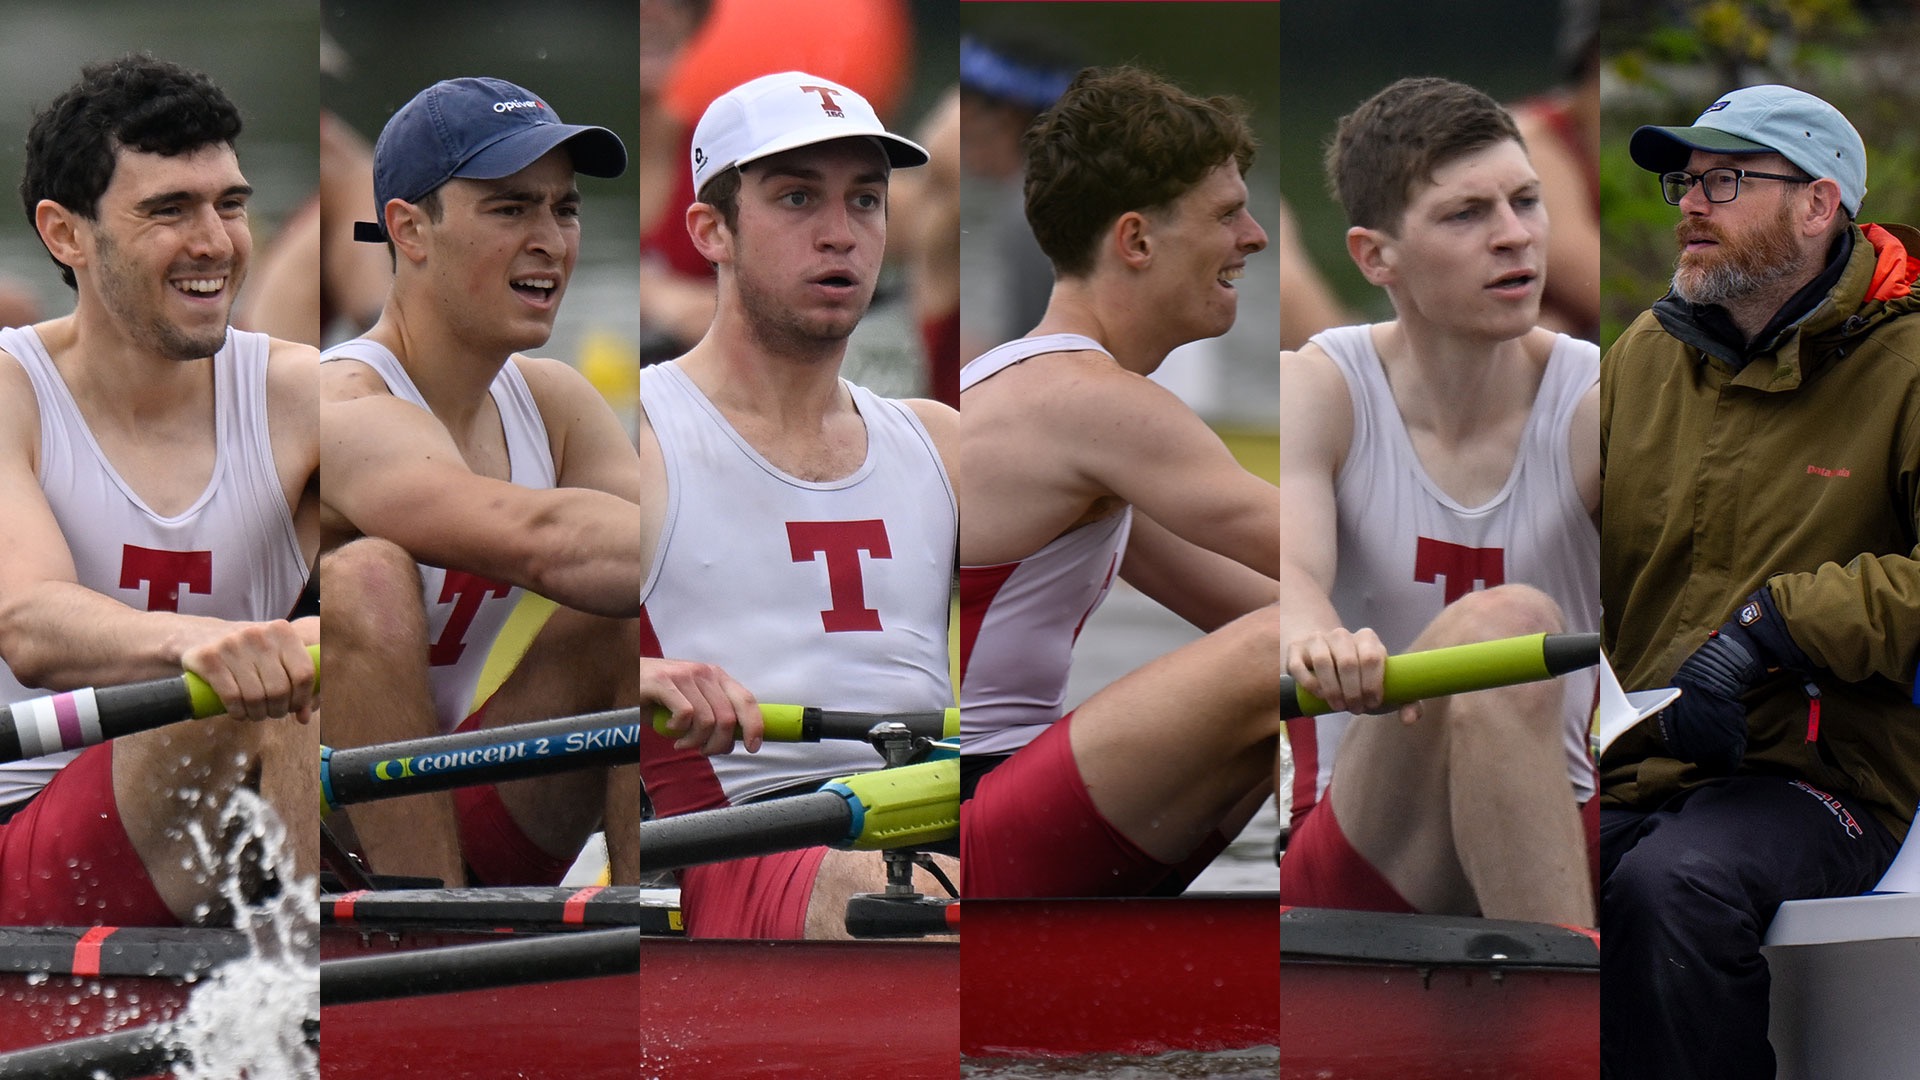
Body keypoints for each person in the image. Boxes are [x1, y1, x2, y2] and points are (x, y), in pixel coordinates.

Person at [1599, 83, 1920, 1079]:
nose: (1692, 203)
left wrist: (1775, 624)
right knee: (1488, 870)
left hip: (1826, 776)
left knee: (1671, 891)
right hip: (1637, 759)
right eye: (1684, 181)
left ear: (1819, 205)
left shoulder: (1909, 360)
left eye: (1727, 180)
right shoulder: (1644, 355)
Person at [318, 76, 669, 889]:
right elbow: (546, 544)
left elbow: (667, 546)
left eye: (565, 209)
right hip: (308, 845)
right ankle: (427, 936)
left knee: (626, 621)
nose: (550, 239)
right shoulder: (342, 409)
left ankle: (647, 925)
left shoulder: (553, 404)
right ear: (409, 229)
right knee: (365, 578)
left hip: (447, 796)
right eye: (510, 210)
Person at [636, 70, 959, 939]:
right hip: (736, 844)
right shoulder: (633, 437)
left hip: (940, 818)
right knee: (943, 901)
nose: (840, 236)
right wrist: (624, 679)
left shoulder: (940, 441)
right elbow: (489, 682)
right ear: (712, 230)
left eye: (865, 201)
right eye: (795, 198)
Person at [0, 54, 319, 927]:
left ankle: (337, 947)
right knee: (264, 678)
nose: (215, 242)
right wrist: (206, 645)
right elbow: (26, 621)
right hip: (30, 828)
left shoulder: (303, 394)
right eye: (169, 211)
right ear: (66, 235)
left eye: (230, 204)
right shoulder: (9, 393)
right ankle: (306, 986)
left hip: (236, 814)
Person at [1277, 77, 1599, 927]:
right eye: (1467, 216)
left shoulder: (1600, 400)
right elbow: (1290, 577)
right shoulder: (1318, 389)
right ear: (1374, 257)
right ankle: (1567, 1014)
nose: (1515, 237)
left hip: (1568, 818)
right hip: (1361, 848)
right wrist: (1316, 640)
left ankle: (1556, 994)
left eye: (1526, 201)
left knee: (1508, 632)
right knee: (1508, 625)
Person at [957, 65, 1282, 899]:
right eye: (1225, 215)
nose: (1255, 236)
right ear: (1136, 241)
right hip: (950, 823)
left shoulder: (1031, 396)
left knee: (1319, 650)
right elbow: (1326, 556)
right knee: (1283, 654)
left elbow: (1264, 600)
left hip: (980, 802)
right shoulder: (1093, 405)